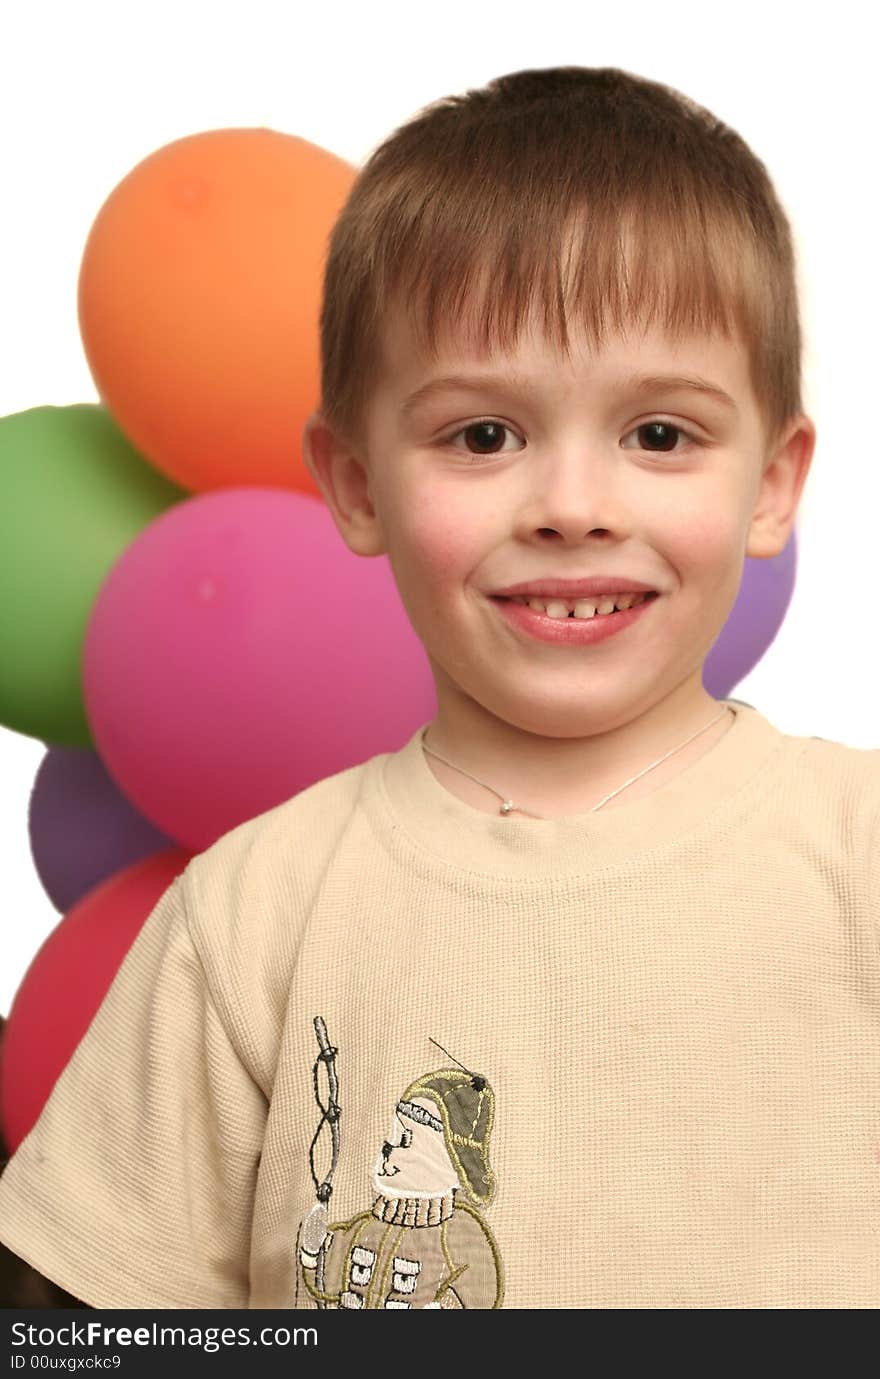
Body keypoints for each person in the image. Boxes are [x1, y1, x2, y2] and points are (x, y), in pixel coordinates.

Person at [0, 65, 877, 1311]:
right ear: (355, 484)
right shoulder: (252, 913)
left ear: (776, 480)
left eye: (660, 434)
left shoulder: (859, 853)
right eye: (482, 435)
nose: (573, 507)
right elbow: (76, 1334)